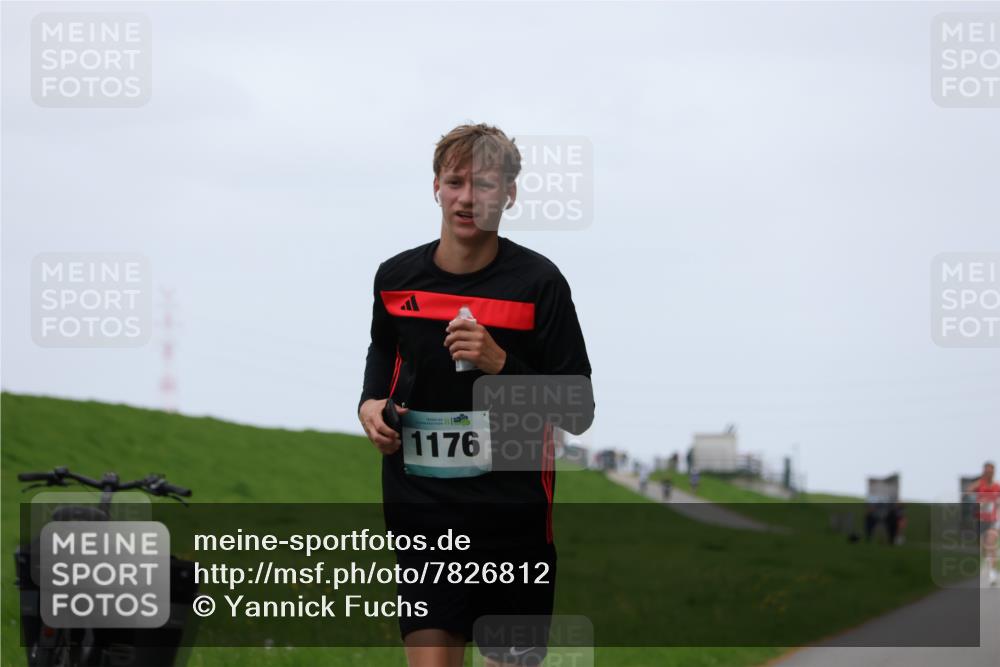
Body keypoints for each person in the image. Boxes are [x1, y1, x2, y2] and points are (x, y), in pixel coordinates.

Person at [358, 123, 594, 667]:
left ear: (509, 194)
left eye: (485, 184)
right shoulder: (395, 279)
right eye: (455, 182)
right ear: (435, 187)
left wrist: (500, 364)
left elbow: (578, 409)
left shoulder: (539, 284)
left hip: (513, 520)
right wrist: (370, 404)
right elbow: (383, 354)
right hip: (423, 514)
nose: (467, 198)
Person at [965, 461, 999, 586]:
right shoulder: (980, 484)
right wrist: (978, 499)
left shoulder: (997, 486)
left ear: (993, 472)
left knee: (991, 545)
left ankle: (993, 574)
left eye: (990, 471)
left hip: (993, 519)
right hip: (981, 519)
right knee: (984, 547)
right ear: (984, 472)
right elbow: (968, 491)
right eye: (986, 471)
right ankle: (987, 564)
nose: (989, 473)